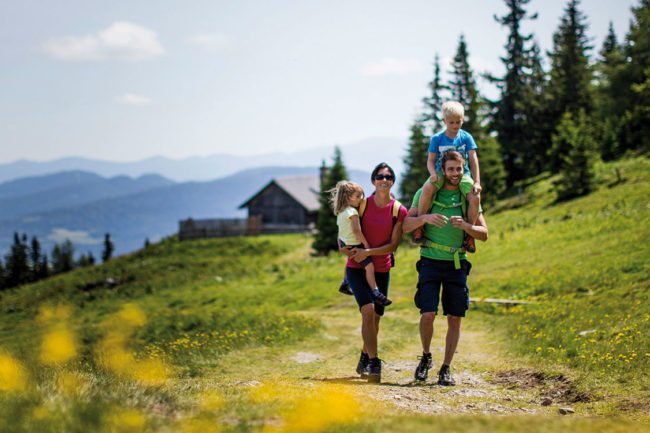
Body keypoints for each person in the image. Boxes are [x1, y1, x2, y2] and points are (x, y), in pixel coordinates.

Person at [403, 150, 488, 386]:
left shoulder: (467, 195)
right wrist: (424, 219)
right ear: (442, 169)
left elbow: (484, 234)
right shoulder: (426, 193)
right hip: (429, 261)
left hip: (457, 264)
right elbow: (405, 226)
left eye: (459, 169)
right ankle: (427, 356)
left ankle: (446, 368)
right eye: (450, 169)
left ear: (464, 169)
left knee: (455, 317)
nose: (455, 174)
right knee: (427, 313)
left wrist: (467, 226)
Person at [339, 163, 407, 384]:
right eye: (379, 176)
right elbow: (345, 228)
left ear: (393, 181)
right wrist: (341, 245)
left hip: (381, 268)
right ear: (373, 180)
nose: (384, 179)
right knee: (367, 311)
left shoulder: (399, 210)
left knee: (376, 318)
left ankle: (365, 355)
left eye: (388, 176)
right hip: (356, 267)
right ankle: (375, 361)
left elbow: (392, 246)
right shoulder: (362, 205)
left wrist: (368, 250)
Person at [413, 101, 482, 253]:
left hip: (462, 174)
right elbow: (430, 160)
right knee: (427, 189)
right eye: (451, 122)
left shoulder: (466, 137)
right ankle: (419, 226)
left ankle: (470, 234)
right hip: (440, 172)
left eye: (458, 122)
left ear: (463, 120)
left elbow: (473, 159)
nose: (455, 125)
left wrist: (476, 181)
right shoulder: (437, 139)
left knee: (475, 197)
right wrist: (433, 174)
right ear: (444, 121)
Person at [331, 180, 391, 306]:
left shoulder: (341, 212)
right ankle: (375, 291)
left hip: (344, 242)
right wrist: (365, 243)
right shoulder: (353, 212)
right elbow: (356, 230)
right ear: (348, 197)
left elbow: (341, 230)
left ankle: (345, 282)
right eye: (358, 196)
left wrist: (341, 244)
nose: (361, 199)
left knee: (350, 261)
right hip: (355, 244)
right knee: (369, 267)